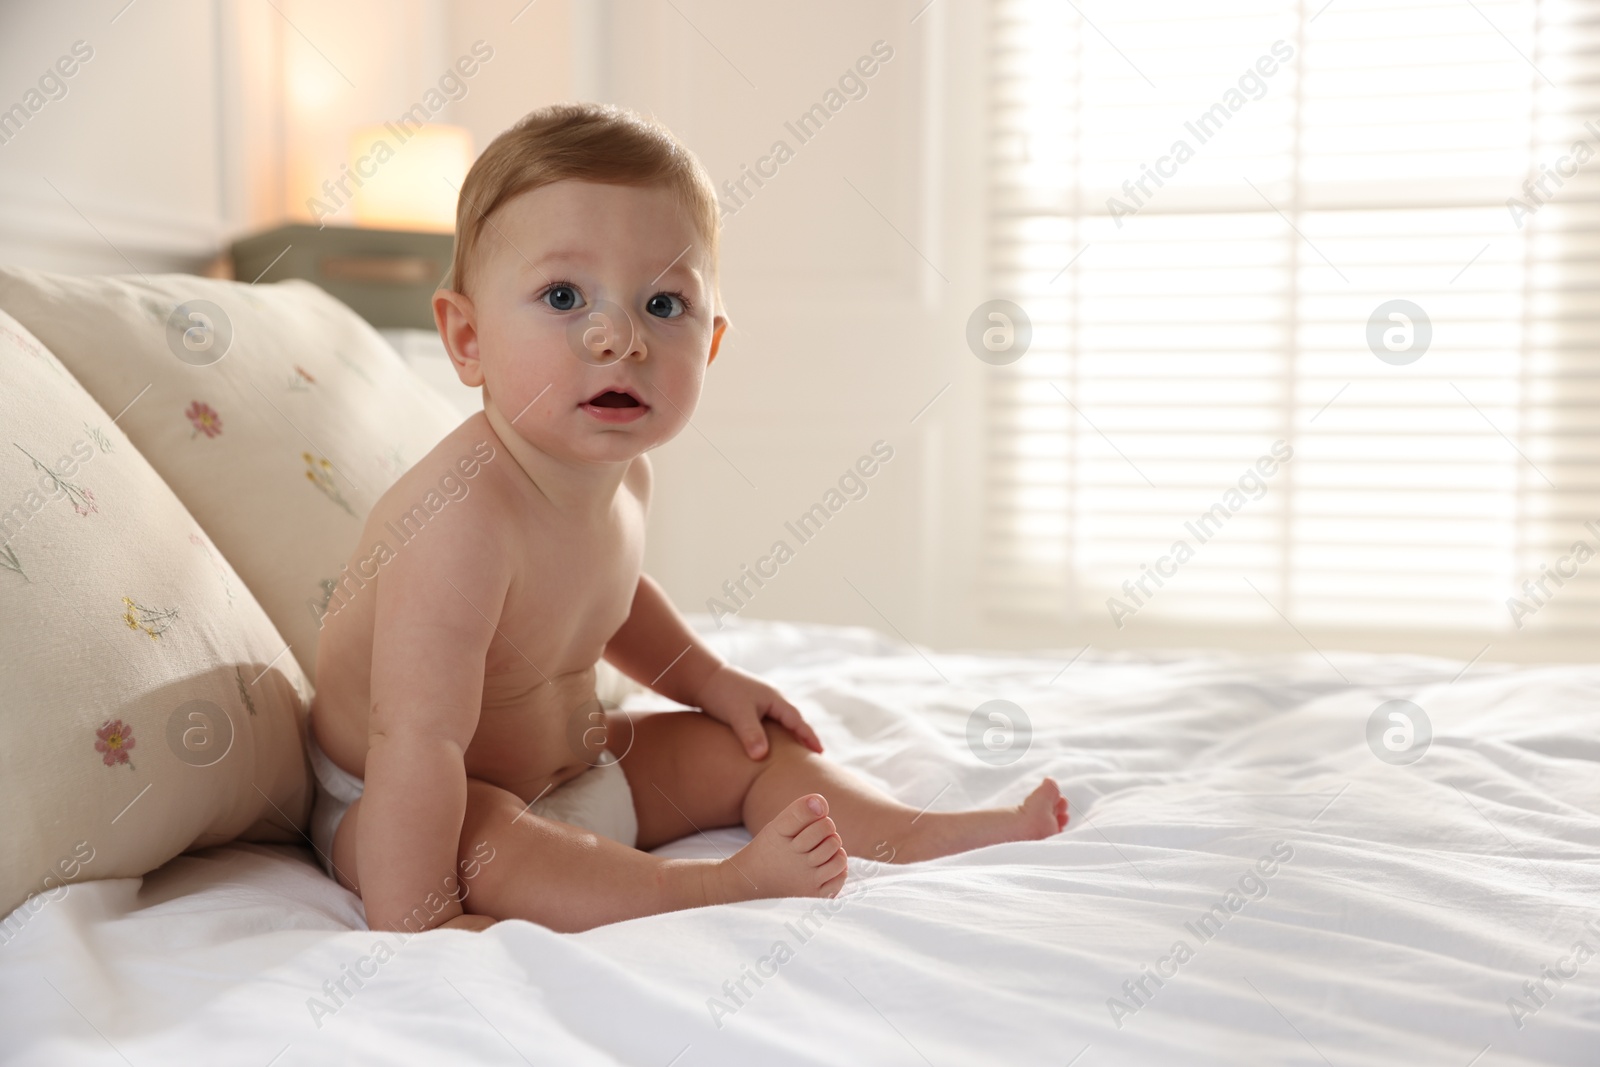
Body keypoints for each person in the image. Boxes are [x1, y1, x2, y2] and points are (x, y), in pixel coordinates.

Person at [307, 102, 1068, 935]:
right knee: (491, 839)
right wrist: (418, 923)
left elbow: (611, 593)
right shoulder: (457, 520)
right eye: (564, 295)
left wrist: (710, 683)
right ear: (466, 338)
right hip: (405, 800)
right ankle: (714, 889)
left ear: (708, 344)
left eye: (664, 305)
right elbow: (416, 740)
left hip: (575, 765)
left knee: (750, 748)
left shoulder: (621, 476)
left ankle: (911, 833)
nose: (618, 336)